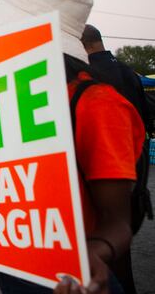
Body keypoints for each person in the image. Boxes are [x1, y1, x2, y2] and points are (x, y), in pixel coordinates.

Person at [0, 0, 144, 294]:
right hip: (15, 267)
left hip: (73, 279)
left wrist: (93, 254)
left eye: (5, 29)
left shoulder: (98, 105)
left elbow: (117, 220)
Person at [81, 24, 152, 294]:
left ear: (81, 42)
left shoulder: (89, 77)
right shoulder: (128, 72)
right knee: (121, 260)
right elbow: (144, 122)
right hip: (135, 175)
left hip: (103, 179)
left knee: (105, 264)